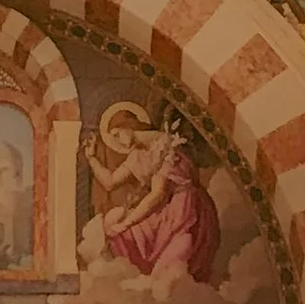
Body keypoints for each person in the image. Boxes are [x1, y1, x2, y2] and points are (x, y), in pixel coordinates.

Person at [93, 105, 220, 286]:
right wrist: (92, 158)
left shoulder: (168, 145)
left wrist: (125, 224)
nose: (118, 142)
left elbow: (157, 194)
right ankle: (138, 278)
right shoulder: (138, 154)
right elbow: (110, 182)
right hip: (163, 210)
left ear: (129, 126)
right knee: (112, 223)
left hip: (184, 209)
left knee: (167, 267)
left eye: (117, 134)